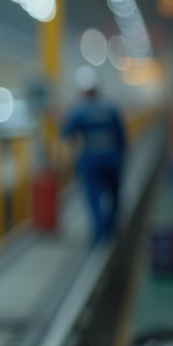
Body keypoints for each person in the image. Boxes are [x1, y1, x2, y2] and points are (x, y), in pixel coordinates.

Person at [62, 67, 126, 242]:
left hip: (91, 161)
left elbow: (66, 132)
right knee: (114, 195)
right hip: (112, 159)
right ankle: (110, 227)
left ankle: (100, 233)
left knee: (94, 197)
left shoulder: (79, 111)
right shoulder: (111, 108)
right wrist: (122, 158)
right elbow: (122, 137)